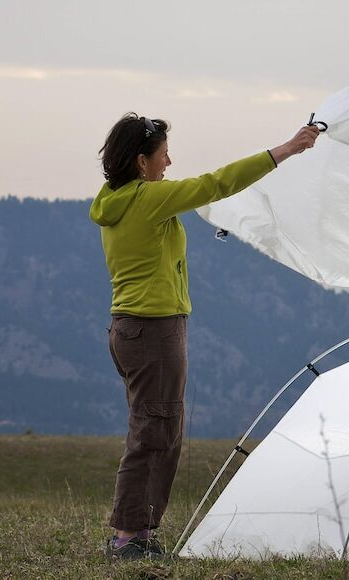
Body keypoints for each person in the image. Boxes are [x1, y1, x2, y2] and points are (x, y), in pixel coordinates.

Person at [90, 113, 320, 559]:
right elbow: (217, 183)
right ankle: (128, 537)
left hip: (130, 328)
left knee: (156, 428)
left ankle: (137, 533)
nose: (169, 162)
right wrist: (286, 149)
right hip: (154, 331)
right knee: (154, 432)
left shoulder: (113, 199)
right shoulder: (147, 200)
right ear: (141, 162)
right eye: (162, 156)